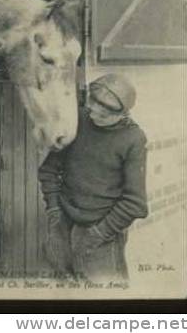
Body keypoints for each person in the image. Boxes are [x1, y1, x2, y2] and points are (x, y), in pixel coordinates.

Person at [38, 73, 148, 282]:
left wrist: (97, 234)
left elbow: (136, 204)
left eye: (104, 112)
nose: (94, 113)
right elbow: (48, 170)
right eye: (92, 104)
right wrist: (53, 209)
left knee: (107, 300)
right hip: (61, 226)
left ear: (123, 113)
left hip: (101, 238)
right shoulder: (78, 119)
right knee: (61, 294)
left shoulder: (133, 138)